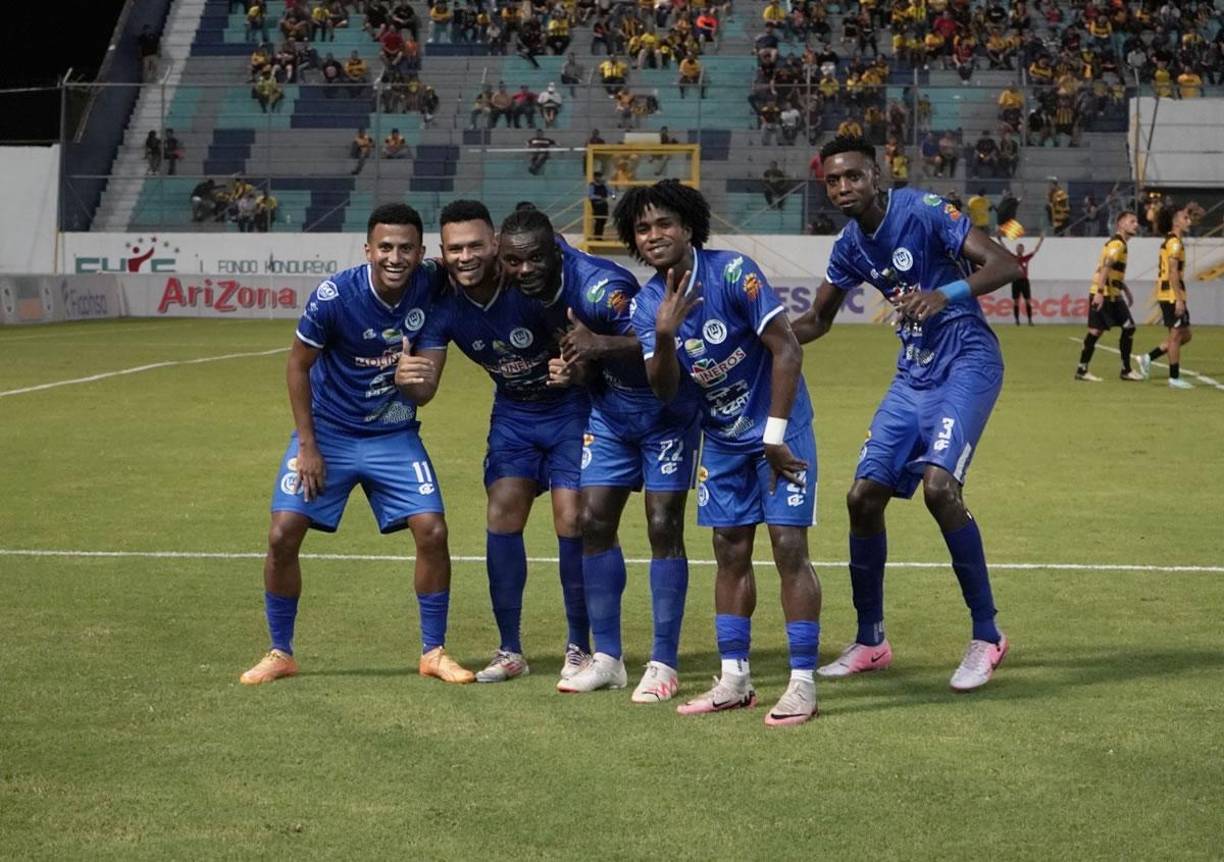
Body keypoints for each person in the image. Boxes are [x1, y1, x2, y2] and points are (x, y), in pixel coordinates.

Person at [792, 136, 1022, 692]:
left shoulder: (921, 210)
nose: (843, 186)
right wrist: (759, 340)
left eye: (853, 176)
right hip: (913, 375)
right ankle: (871, 641)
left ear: (876, 175)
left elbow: (1004, 263)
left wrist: (945, 293)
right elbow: (818, 320)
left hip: (967, 362)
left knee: (940, 489)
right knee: (861, 497)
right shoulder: (849, 244)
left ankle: (987, 635)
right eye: (833, 180)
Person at [615, 180, 823, 726]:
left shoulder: (733, 272)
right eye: (643, 228)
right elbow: (664, 390)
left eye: (664, 223)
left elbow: (788, 348)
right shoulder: (645, 306)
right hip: (724, 439)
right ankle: (735, 679)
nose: (654, 235)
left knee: (787, 547)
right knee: (729, 550)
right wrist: (663, 335)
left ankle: (802, 683)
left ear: (687, 227)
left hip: (781, 430)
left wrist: (774, 435)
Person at [240, 203, 474, 687]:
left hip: (394, 433)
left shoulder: (432, 284)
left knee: (432, 531)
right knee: (283, 534)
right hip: (329, 432)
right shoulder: (335, 297)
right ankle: (280, 651)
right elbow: (297, 366)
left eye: (405, 247)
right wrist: (308, 445)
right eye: (385, 247)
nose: (395, 256)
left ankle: (434, 651)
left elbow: (426, 390)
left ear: (421, 253)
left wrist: (412, 382)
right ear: (367, 249)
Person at [498, 208, 703, 702]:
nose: (524, 269)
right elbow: (586, 359)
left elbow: (657, 339)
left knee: (662, 524)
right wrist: (578, 372)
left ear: (557, 250)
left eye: (534, 259)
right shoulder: (530, 290)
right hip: (610, 414)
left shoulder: (601, 287)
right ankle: (607, 659)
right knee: (592, 521)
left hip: (664, 411)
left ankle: (664, 663)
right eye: (514, 262)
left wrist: (598, 344)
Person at [402, 200, 591, 684]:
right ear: (441, 253)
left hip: (570, 410)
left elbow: (588, 345)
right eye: (454, 248)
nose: (465, 257)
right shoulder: (444, 307)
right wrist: (409, 379)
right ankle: (510, 650)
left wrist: (575, 368)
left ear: (496, 245)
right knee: (502, 511)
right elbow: (425, 391)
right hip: (514, 413)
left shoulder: (534, 284)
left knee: (571, 518)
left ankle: (579, 648)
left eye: (475, 246)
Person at [1075, 211, 1143, 382]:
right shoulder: (1118, 245)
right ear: (1121, 224)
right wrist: (1099, 293)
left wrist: (1124, 288)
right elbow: (1106, 267)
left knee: (1127, 328)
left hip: (1112, 294)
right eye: (1132, 221)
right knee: (1097, 331)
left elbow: (1110, 269)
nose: (1136, 224)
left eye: (1136, 222)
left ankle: (1124, 370)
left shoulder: (1116, 243)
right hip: (1104, 294)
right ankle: (1083, 370)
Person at [1139, 205, 1196, 389]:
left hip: (1171, 293)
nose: (1189, 220)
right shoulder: (1174, 243)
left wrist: (1188, 209)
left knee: (1185, 336)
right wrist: (1178, 299)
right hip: (1172, 294)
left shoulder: (1173, 240)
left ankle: (1148, 358)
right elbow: (1172, 272)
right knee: (1176, 335)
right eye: (1184, 217)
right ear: (1175, 221)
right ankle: (1174, 378)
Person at [1009, 235, 1043, 325]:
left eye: (1021, 248)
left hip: (1024, 281)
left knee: (1028, 300)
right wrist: (999, 240)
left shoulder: (1025, 258)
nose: (1019, 250)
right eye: (1018, 248)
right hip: (1015, 280)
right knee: (1016, 301)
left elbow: (1035, 250)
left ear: (1023, 250)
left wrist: (1041, 241)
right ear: (1016, 250)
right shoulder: (1013, 258)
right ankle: (1017, 320)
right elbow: (1004, 250)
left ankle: (1030, 320)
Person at [588, 171, 613, 237]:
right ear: (595, 177)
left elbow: (611, 192)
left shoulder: (604, 185)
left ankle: (600, 236)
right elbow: (590, 196)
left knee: (603, 220)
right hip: (597, 205)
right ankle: (597, 236)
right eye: (599, 177)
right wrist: (599, 197)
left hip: (604, 204)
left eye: (601, 176)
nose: (601, 178)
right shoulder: (592, 185)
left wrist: (613, 196)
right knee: (598, 220)